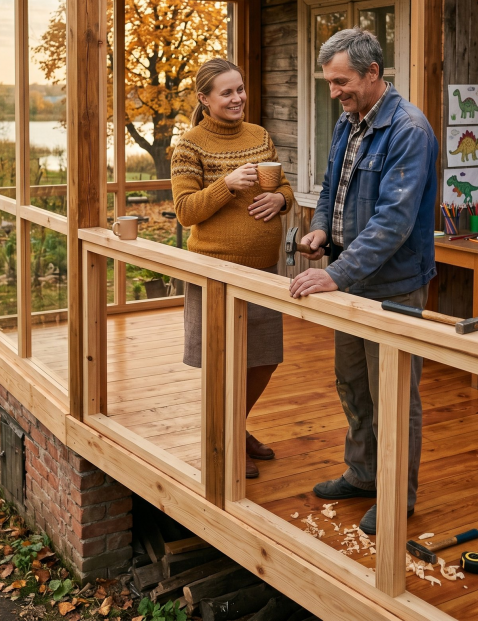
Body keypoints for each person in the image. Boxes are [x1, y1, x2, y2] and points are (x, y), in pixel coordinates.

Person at [289, 28, 437, 535]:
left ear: (374, 73)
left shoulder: (407, 130)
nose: (334, 92)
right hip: (350, 278)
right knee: (353, 384)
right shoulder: (349, 122)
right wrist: (320, 228)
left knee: (393, 394)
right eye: (330, 83)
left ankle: (399, 495)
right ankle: (364, 473)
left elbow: (394, 222)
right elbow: (333, 185)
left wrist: (334, 273)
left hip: (393, 285)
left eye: (341, 82)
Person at [171, 58, 294, 479]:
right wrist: (227, 185)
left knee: (263, 360)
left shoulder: (259, 135)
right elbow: (186, 211)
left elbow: (284, 186)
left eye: (240, 89)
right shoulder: (190, 145)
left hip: (263, 272)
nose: (238, 98)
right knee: (223, 363)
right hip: (216, 274)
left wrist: (281, 201)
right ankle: (223, 441)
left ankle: (235, 429)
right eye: (227, 92)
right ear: (204, 99)